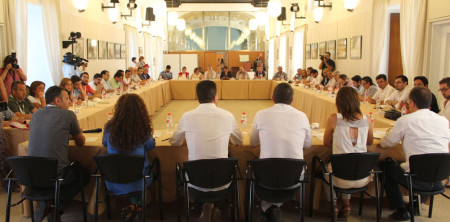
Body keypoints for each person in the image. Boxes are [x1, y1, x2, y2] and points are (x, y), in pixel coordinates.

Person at [170, 80, 242, 222]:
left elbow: (174, 141)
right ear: (215, 97)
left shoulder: (187, 116)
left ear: (196, 97)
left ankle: (206, 205)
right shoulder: (228, 115)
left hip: (195, 182)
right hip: (223, 182)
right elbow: (239, 141)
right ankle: (213, 205)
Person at [379, 86, 449, 221]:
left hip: (416, 179)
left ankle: (400, 208)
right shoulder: (443, 121)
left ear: (411, 103)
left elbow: (385, 143)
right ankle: (415, 204)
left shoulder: (405, 120)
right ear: (430, 103)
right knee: (424, 165)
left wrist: (388, 134)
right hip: (440, 179)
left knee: (386, 165)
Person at [250, 83, 312, 221]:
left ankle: (269, 208)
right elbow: (308, 144)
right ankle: (273, 208)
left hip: (266, 177)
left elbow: (253, 142)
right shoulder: (302, 116)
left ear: (272, 99)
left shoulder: (261, 114)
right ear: (292, 100)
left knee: (255, 170)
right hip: (294, 177)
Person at [28, 86, 87, 221]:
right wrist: (78, 134)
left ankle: (48, 203)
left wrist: (66, 134)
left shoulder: (36, 115)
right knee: (83, 175)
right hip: (56, 173)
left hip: (32, 173)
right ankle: (55, 205)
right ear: (57, 101)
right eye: (67, 98)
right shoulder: (68, 114)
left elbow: (49, 133)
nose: (69, 101)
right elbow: (81, 142)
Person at [323, 86, 374, 220]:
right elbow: (369, 142)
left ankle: (334, 204)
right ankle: (346, 204)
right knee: (351, 164)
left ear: (338, 102)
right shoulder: (367, 119)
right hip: (363, 177)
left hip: (339, 178)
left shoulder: (334, 118)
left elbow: (326, 142)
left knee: (326, 168)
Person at [102, 93, 155, 221]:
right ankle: (137, 205)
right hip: (139, 182)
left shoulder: (109, 126)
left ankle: (133, 205)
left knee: (131, 170)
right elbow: (150, 146)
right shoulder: (143, 128)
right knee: (147, 170)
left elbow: (104, 143)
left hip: (113, 181)